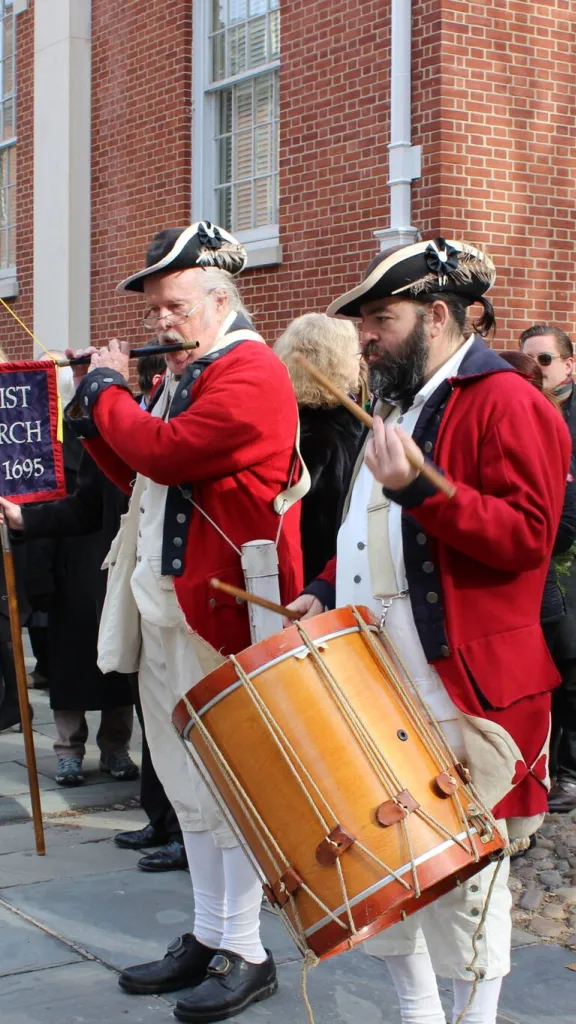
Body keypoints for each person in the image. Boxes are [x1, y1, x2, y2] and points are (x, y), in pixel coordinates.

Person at [286, 237, 571, 1024]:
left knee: (468, 890)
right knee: (387, 875)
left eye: (382, 317)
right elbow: (363, 535)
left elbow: (527, 539)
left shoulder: (506, 400)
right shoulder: (398, 402)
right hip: (380, 690)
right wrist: (319, 589)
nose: (366, 337)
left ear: (437, 316)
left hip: (463, 694)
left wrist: (421, 488)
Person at [64, 222, 303, 1023]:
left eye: (172, 305)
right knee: (183, 778)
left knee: (228, 782)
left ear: (217, 299)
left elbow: (165, 452)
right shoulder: (190, 371)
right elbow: (138, 468)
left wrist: (107, 393)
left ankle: (248, 950)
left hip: (224, 609)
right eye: (156, 306)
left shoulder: (252, 372)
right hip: (170, 601)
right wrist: (94, 412)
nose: (160, 320)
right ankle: (210, 932)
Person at [0, 353, 138, 786]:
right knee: (68, 664)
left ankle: (115, 747)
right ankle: (68, 749)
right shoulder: (47, 434)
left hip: (111, 556)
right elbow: (48, 499)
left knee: (118, 663)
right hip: (65, 563)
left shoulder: (117, 422)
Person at [519, 324, 576, 813]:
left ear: (567, 365)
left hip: (563, 560)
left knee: (570, 663)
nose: (535, 369)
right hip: (543, 561)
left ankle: (570, 773)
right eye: (528, 360)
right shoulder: (528, 408)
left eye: (544, 360)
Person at [274, 313, 364, 583]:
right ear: (335, 362)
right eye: (354, 352)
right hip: (323, 585)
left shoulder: (284, 422)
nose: (360, 359)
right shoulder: (326, 436)